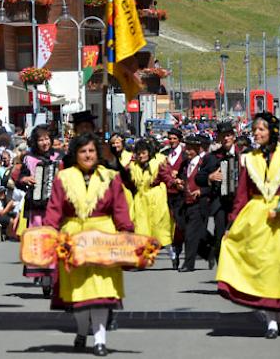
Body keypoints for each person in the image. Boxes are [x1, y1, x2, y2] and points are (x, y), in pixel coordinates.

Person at [43, 133, 133, 356]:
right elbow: (54, 210)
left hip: (104, 238)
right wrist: (47, 235)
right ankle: (82, 331)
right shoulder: (63, 178)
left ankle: (100, 340)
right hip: (72, 239)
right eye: (83, 151)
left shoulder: (111, 177)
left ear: (98, 153)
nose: (88, 155)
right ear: (75, 154)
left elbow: (120, 209)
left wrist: (127, 235)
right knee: (78, 293)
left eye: (91, 151)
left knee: (101, 292)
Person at [216, 112, 280, 339]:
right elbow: (242, 195)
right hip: (255, 219)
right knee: (264, 268)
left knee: (278, 268)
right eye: (255, 130)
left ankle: (277, 316)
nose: (257, 133)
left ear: (272, 131)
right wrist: (231, 225)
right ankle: (272, 320)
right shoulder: (249, 159)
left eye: (262, 129)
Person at [17, 125, 63, 296]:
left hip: (56, 207)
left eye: (47, 139)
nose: (44, 142)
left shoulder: (59, 157)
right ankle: (45, 276)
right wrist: (26, 179)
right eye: (41, 139)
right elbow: (19, 180)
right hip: (36, 207)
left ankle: (53, 276)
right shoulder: (29, 159)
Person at [125, 139, 175, 255]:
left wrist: (175, 184)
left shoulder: (158, 163)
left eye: (143, 153)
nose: (141, 156)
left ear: (149, 152)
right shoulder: (133, 166)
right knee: (140, 229)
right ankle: (142, 257)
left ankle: (172, 254)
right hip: (141, 201)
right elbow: (127, 180)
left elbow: (167, 178)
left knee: (160, 230)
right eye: (138, 153)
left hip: (157, 200)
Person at [177, 134, 219, 272]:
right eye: (186, 148)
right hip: (186, 202)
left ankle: (188, 264)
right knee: (197, 233)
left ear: (198, 148)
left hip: (200, 203)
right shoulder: (185, 164)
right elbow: (180, 178)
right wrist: (178, 183)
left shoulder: (206, 162)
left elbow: (214, 182)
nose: (187, 151)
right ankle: (210, 251)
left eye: (190, 148)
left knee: (191, 234)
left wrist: (202, 191)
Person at [208, 121, 240, 262]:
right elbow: (199, 177)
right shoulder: (213, 156)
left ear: (234, 136)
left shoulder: (245, 154)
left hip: (240, 202)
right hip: (220, 202)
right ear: (219, 138)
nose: (226, 138)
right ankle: (222, 266)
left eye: (228, 135)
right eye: (223, 136)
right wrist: (210, 177)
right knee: (220, 235)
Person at [161, 128, 186, 269]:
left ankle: (177, 249)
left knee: (178, 223)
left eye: (174, 139)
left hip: (179, 194)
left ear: (179, 140)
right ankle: (172, 249)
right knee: (167, 223)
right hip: (165, 193)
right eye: (170, 139)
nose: (171, 141)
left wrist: (180, 176)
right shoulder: (164, 154)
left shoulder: (184, 156)